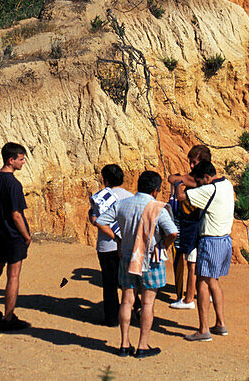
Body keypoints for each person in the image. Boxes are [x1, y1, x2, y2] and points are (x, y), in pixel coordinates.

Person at [98, 170, 177, 359]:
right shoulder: (157, 207)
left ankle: (124, 344)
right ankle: (142, 346)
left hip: (127, 257)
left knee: (126, 300)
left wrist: (118, 239)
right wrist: (163, 246)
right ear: (156, 190)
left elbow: (101, 221)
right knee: (148, 302)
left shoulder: (123, 204)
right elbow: (173, 232)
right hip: (150, 259)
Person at [178, 160, 235, 342]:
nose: (200, 184)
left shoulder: (209, 189)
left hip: (210, 241)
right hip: (225, 239)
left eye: (201, 181)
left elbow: (181, 198)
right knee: (212, 282)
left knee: (204, 283)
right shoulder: (227, 184)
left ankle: (203, 329)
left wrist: (179, 183)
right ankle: (220, 323)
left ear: (207, 177)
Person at [0, 141, 32, 332]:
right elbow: (16, 214)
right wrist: (26, 236)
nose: (23, 163)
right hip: (12, 237)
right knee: (13, 276)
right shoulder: (13, 184)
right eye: (20, 159)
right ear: (10, 160)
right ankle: (9, 318)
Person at [168, 144, 212, 310]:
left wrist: (179, 180)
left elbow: (173, 180)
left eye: (194, 162)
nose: (191, 166)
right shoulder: (209, 178)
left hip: (192, 225)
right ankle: (205, 292)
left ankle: (188, 299)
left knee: (191, 261)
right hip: (203, 223)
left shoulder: (195, 179)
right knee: (203, 261)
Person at [89, 164, 131, 327]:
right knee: (129, 282)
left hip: (107, 246)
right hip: (127, 244)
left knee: (109, 283)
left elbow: (95, 221)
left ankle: (112, 318)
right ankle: (137, 310)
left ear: (105, 180)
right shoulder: (130, 196)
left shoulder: (100, 197)